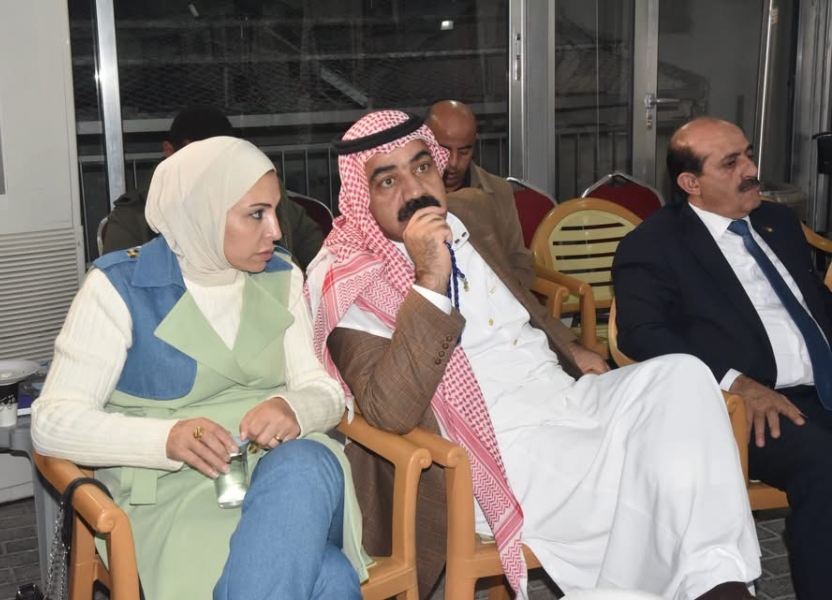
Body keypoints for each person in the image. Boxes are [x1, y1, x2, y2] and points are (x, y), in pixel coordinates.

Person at [305, 110, 761, 600]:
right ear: (362, 195)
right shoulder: (346, 278)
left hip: (564, 397)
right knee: (652, 475)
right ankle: (715, 587)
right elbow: (388, 410)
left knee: (684, 378)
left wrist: (570, 346)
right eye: (388, 180)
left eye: (422, 167)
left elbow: (519, 297)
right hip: (491, 444)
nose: (414, 190)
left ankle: (711, 581)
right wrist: (430, 277)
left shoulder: (468, 217)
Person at [32, 136, 367, 600]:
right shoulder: (118, 288)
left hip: (288, 487)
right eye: (256, 214)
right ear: (202, 211)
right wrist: (166, 439)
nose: (275, 230)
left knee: (307, 462)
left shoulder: (282, 276)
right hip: (172, 497)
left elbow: (326, 391)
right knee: (330, 578)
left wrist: (293, 408)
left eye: (276, 211)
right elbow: (51, 422)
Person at [613, 116, 832, 600]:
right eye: (731, 163)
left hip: (823, 381)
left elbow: (815, 303)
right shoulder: (653, 245)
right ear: (690, 183)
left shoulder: (778, 223)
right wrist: (736, 382)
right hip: (750, 405)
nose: (751, 170)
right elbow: (641, 335)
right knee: (826, 469)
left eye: (748, 155)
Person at [102, 105, 326, 269]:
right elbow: (123, 287)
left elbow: (317, 254)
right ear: (169, 151)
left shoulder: (265, 199)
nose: (273, 230)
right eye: (197, 159)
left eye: (218, 161)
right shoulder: (133, 216)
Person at [425, 100, 535, 289]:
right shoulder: (409, 195)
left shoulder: (498, 191)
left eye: (464, 151)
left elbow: (520, 262)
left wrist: (503, 294)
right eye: (444, 150)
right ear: (424, 143)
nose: (453, 163)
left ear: (475, 146)